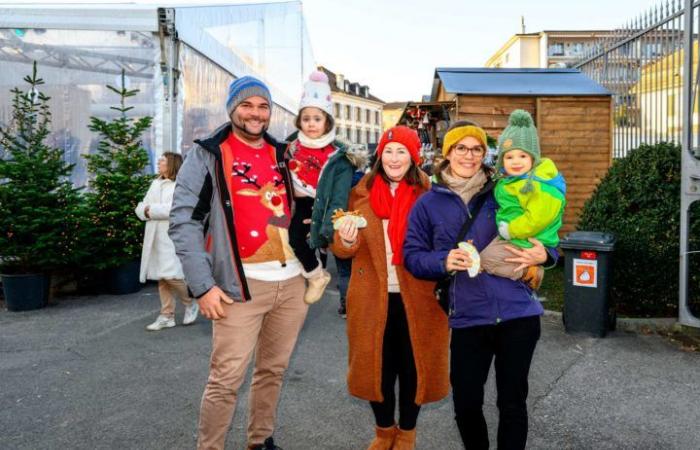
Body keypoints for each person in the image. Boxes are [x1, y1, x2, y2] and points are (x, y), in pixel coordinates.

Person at [169, 76, 305, 450]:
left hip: (292, 283)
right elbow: (184, 222)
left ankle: (260, 440)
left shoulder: (282, 154)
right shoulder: (208, 155)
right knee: (226, 379)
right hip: (238, 285)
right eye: (247, 105)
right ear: (232, 109)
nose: (256, 113)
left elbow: (302, 208)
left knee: (273, 371)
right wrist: (203, 286)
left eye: (263, 106)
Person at [403, 120, 558, 450]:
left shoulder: (504, 191)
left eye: (477, 149)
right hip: (468, 316)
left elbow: (544, 230)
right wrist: (443, 261)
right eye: (461, 148)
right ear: (448, 153)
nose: (469, 155)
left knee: (512, 403)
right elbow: (412, 256)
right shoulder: (428, 203)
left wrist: (546, 255)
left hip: (518, 313)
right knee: (466, 405)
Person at [330, 126, 449, 450]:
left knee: (414, 369)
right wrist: (347, 239)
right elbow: (340, 247)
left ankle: (407, 432)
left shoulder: (431, 196)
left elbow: (444, 242)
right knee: (376, 369)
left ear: (414, 157)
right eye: (389, 151)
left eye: (402, 152)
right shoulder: (360, 192)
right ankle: (384, 431)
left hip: (420, 296)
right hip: (372, 298)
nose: (394, 158)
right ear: (379, 155)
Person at [287, 70, 367, 304]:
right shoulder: (291, 147)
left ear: (327, 122)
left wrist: (325, 219)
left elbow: (339, 195)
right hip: (297, 203)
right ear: (299, 121)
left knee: (301, 240)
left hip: (320, 205)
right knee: (294, 241)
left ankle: (316, 275)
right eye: (306, 119)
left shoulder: (337, 156)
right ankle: (316, 274)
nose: (311, 124)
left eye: (317, 119)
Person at [480, 110, 566, 290]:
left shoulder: (539, 185)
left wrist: (511, 230)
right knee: (481, 258)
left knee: (485, 260)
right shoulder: (512, 181)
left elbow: (538, 218)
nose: (516, 162)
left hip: (526, 239)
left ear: (533, 158)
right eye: (509, 157)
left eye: (523, 156)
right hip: (514, 237)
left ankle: (529, 272)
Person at [135, 152, 199, 331]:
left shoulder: (181, 185)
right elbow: (141, 206)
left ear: (171, 163)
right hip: (154, 235)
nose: (159, 162)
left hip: (172, 236)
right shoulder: (155, 183)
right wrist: (144, 211)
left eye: (162, 160)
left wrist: (149, 211)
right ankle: (166, 315)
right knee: (161, 277)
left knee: (171, 275)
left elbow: (174, 209)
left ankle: (190, 302)